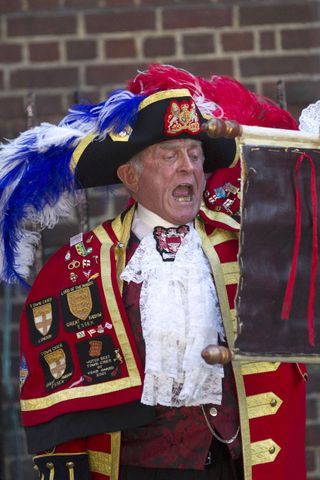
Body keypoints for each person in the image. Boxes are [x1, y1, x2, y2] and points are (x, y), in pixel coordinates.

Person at [0, 66, 307, 480]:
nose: (188, 169)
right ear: (130, 177)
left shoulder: (248, 244)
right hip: (140, 469)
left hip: (235, 466)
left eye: (195, 155)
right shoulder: (82, 266)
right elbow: (61, 401)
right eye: (169, 156)